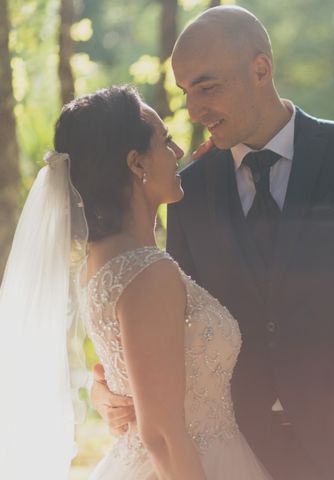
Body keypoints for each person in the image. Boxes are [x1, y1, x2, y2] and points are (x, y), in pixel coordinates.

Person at [92, 6, 334, 480]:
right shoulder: (187, 193)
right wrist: (108, 385)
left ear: (261, 69)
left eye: (208, 87)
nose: (194, 110)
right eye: (185, 92)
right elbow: (170, 324)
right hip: (239, 453)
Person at [0, 85, 272, 479]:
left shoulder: (99, 261)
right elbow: (161, 433)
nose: (178, 153)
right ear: (136, 163)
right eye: (165, 142)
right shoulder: (148, 272)